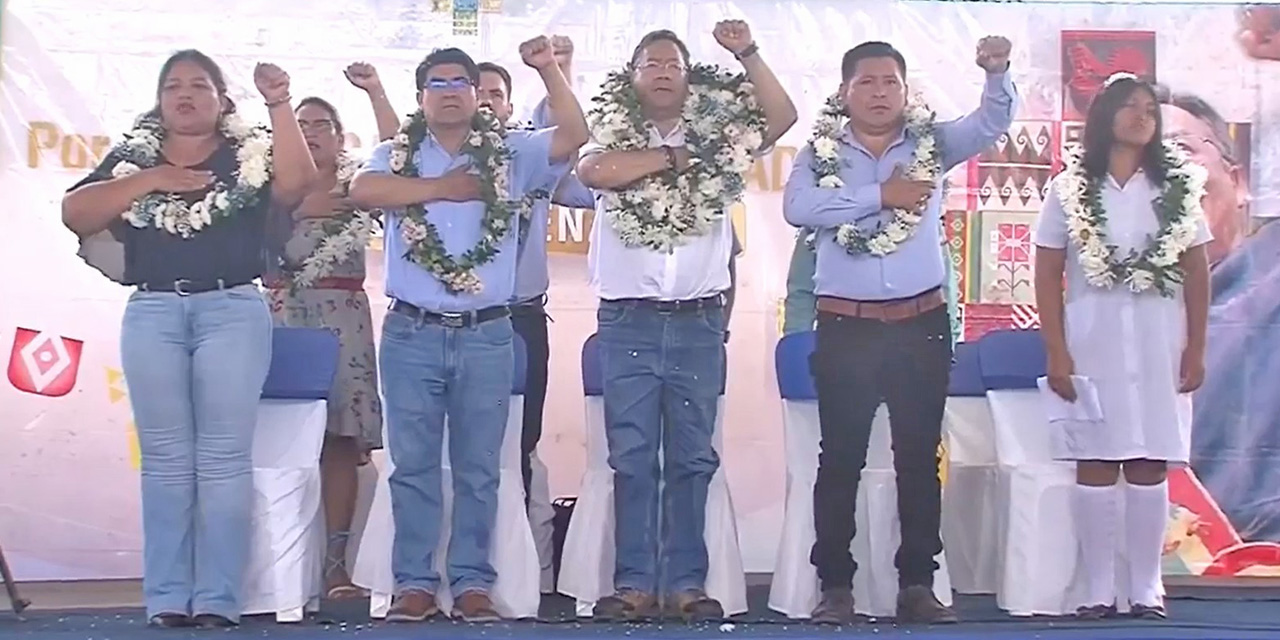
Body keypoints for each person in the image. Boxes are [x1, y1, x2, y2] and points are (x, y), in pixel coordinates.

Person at [60, 50, 316, 628]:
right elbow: (76, 211)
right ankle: (168, 599)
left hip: (230, 308)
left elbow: (297, 184)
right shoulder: (135, 156)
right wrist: (153, 179)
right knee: (166, 462)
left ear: (222, 100)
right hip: (153, 311)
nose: (184, 94)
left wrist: (279, 102)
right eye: (172, 86)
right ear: (159, 101)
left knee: (224, 459)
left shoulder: (242, 154)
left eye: (199, 85)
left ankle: (219, 600)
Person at [349, 42, 588, 623]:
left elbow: (574, 134)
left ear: (478, 96)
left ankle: (474, 582)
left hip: (488, 333)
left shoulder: (511, 153)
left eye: (462, 81)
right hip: (413, 332)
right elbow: (362, 191)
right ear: (421, 96)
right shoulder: (396, 155)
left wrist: (548, 69)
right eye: (439, 82)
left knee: (482, 467)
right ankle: (414, 583)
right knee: (414, 465)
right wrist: (438, 189)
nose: (452, 90)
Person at [783, 38, 1016, 624]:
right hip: (846, 325)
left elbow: (991, 123)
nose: (880, 92)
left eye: (890, 81)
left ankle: (917, 584)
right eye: (867, 82)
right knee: (839, 460)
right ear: (844, 92)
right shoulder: (821, 151)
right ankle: (835, 587)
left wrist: (995, 72)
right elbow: (799, 208)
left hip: (921, 324)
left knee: (918, 458)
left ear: (905, 91)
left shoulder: (931, 144)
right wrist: (878, 195)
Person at [577, 22, 796, 622]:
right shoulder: (608, 132)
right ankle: (633, 585)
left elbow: (782, 117)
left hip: (699, 322)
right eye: (652, 62)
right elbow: (596, 173)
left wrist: (746, 52)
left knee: (692, 458)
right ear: (633, 76)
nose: (664, 70)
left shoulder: (721, 136)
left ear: (690, 75)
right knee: (634, 455)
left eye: (674, 61)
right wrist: (674, 157)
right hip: (628, 322)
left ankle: (685, 584)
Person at [1034, 74, 1212, 619]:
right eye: (1130, 107)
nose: (1142, 116)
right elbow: (1047, 269)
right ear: (1104, 117)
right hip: (1093, 340)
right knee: (1095, 460)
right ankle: (1095, 589)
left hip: (1160, 339)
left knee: (1147, 459)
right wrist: (1056, 350)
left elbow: (1197, 269)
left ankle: (1145, 588)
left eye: (1149, 110)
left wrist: (1196, 347)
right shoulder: (1069, 188)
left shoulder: (1175, 185)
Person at [264, 62, 399, 600]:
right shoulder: (268, 188)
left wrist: (374, 89)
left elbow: (403, 153)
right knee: (280, 442)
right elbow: (242, 249)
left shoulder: (359, 185)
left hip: (342, 318)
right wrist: (300, 210)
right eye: (301, 123)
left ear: (341, 138)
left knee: (340, 442)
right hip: (280, 318)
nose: (312, 131)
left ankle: (336, 565)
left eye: (322, 124)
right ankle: (274, 564)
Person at [475, 41, 596, 502]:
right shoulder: (436, 160)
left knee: (523, 440)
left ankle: (521, 553)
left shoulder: (529, 158)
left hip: (522, 318)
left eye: (495, 94)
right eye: (477, 92)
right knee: (464, 441)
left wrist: (559, 67)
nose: (486, 101)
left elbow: (567, 135)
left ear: (509, 106)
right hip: (464, 319)